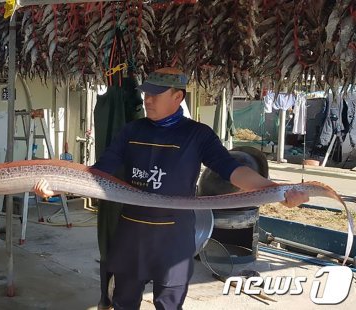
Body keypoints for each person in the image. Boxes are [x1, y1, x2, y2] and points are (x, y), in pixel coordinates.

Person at [33, 67, 309, 310]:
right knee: (124, 301)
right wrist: (57, 187)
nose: (147, 99)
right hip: (131, 233)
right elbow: (100, 172)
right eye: (146, 93)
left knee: (169, 302)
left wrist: (277, 191)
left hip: (173, 237)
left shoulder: (197, 135)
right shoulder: (131, 131)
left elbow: (234, 171)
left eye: (156, 94)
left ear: (178, 97)